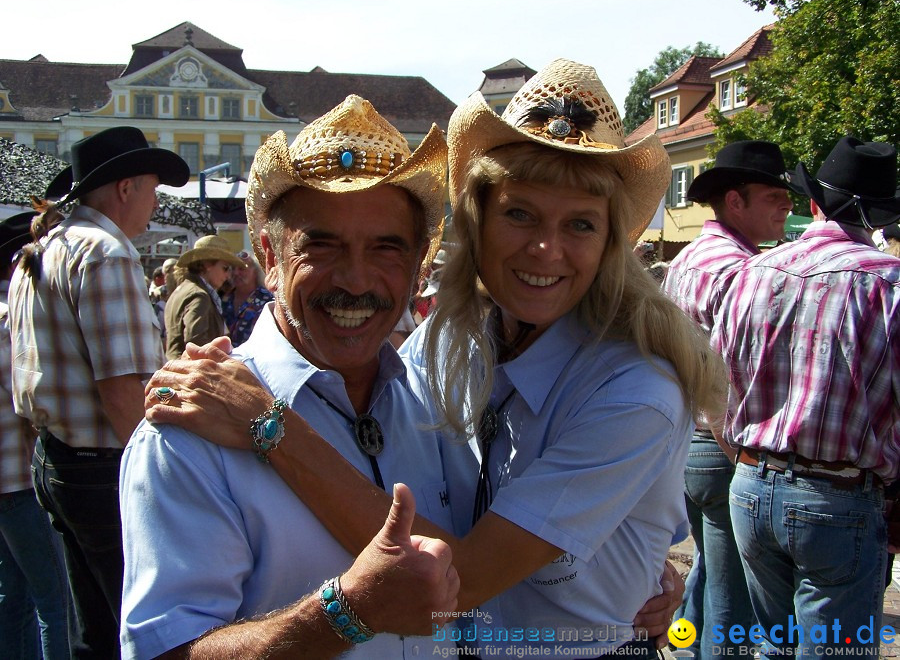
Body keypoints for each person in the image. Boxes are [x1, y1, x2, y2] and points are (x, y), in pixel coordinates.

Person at [145, 60, 716, 657]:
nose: (546, 249)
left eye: (580, 224)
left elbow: (455, 584)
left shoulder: (634, 390)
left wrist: (271, 428)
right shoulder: (445, 345)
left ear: (608, 244)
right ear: (477, 223)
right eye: (519, 213)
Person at [119, 95, 460, 659]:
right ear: (268, 255)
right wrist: (346, 614)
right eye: (320, 245)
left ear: (420, 261)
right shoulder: (185, 431)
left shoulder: (435, 404)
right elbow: (162, 651)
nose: (354, 280)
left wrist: (650, 582)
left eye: (385, 248)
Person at [710, 137, 900, 657]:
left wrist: (745, 456)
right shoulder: (886, 284)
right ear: (879, 216)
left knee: (774, 647)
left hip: (750, 482)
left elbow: (715, 385)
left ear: (816, 204)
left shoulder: (751, 273)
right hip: (835, 495)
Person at [8, 126, 188, 659]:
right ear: (125, 188)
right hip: (101, 466)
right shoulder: (106, 252)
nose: (155, 205)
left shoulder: (42, 249)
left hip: (54, 460)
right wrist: (159, 478)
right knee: (142, 628)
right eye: (153, 189)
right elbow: (122, 388)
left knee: (91, 629)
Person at [661, 140, 799, 657]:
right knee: (730, 594)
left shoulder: (691, 256)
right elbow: (727, 380)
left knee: (708, 575)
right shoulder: (739, 269)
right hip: (720, 445)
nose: (785, 205)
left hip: (687, 443)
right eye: (773, 196)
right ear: (735, 201)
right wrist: (739, 454)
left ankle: (685, 647)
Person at [0, 211, 70, 659]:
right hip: (19, 478)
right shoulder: (9, 317)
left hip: (7, 481)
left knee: (15, 595)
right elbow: (25, 396)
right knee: (54, 601)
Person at [164, 235, 246, 360]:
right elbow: (196, 344)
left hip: (178, 369)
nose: (228, 275)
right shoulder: (199, 295)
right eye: (225, 268)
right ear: (207, 264)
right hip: (193, 372)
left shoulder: (182, 289)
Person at [221, 249, 273, 346]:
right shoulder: (224, 298)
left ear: (255, 272)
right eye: (233, 268)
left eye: (241, 268)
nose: (236, 273)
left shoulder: (267, 300)